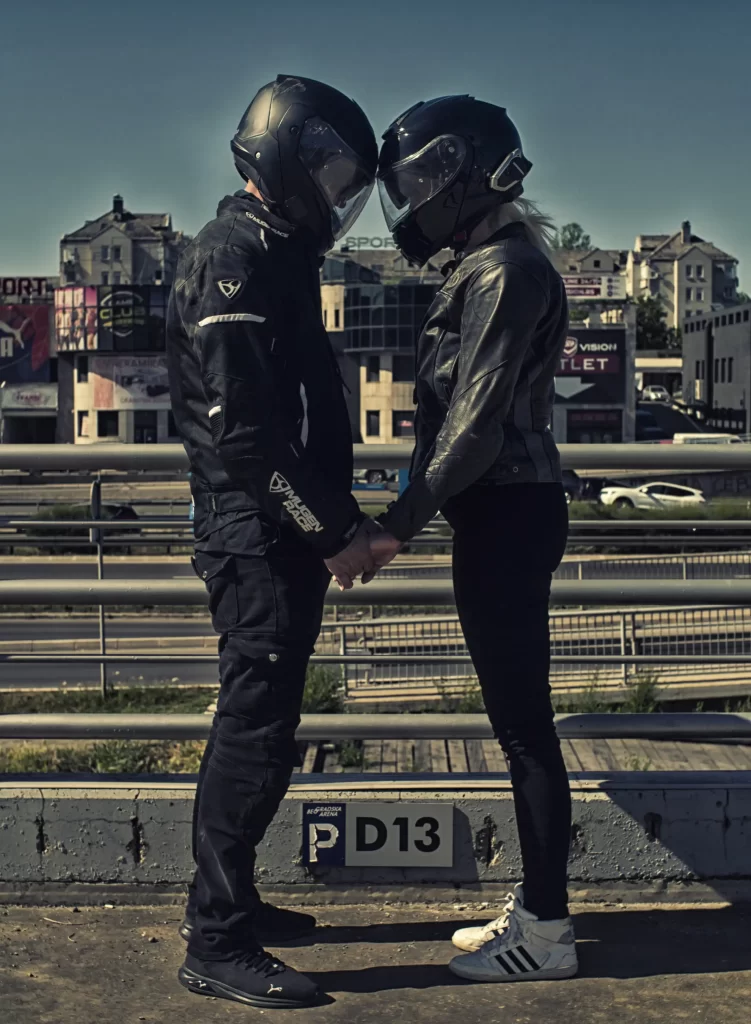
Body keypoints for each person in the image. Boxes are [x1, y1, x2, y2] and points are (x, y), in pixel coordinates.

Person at [166, 74, 399, 1010]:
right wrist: (337, 531)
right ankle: (214, 939)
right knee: (253, 730)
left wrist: (326, 522)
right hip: (251, 531)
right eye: (332, 169)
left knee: (268, 727)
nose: (340, 193)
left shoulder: (274, 250)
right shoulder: (234, 255)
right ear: (284, 153)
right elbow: (247, 441)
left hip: (271, 529)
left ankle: (237, 903)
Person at [375, 95, 577, 983]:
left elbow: (476, 426)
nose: (412, 203)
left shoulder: (503, 271)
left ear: (467, 172)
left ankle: (546, 936)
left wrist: (394, 526)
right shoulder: (487, 264)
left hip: (507, 512)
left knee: (524, 731)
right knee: (517, 725)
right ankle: (535, 905)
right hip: (500, 512)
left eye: (422, 181)